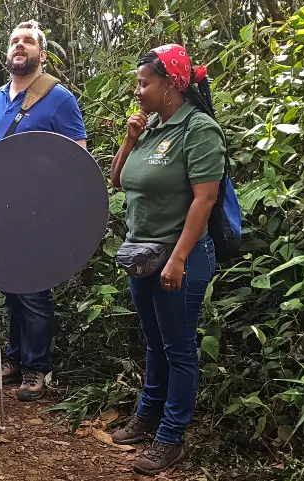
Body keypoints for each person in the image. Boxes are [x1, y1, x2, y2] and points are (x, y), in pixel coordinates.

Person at [108, 44, 222, 475]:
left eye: (144, 83)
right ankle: (148, 415)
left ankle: (170, 437)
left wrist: (178, 259)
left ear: (171, 85)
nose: (138, 91)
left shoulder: (199, 130)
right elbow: (119, 180)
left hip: (180, 257)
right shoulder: (153, 126)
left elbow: (204, 199)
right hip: (142, 254)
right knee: (153, 341)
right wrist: (130, 137)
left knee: (178, 348)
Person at [0, 20, 87, 402]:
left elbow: (78, 155)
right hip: (4, 211)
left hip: (40, 214)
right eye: (14, 41)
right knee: (10, 286)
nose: (19, 46)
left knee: (35, 290)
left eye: (27, 41)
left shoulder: (59, 98)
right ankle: (15, 358)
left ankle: (36, 367)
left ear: (42, 54)